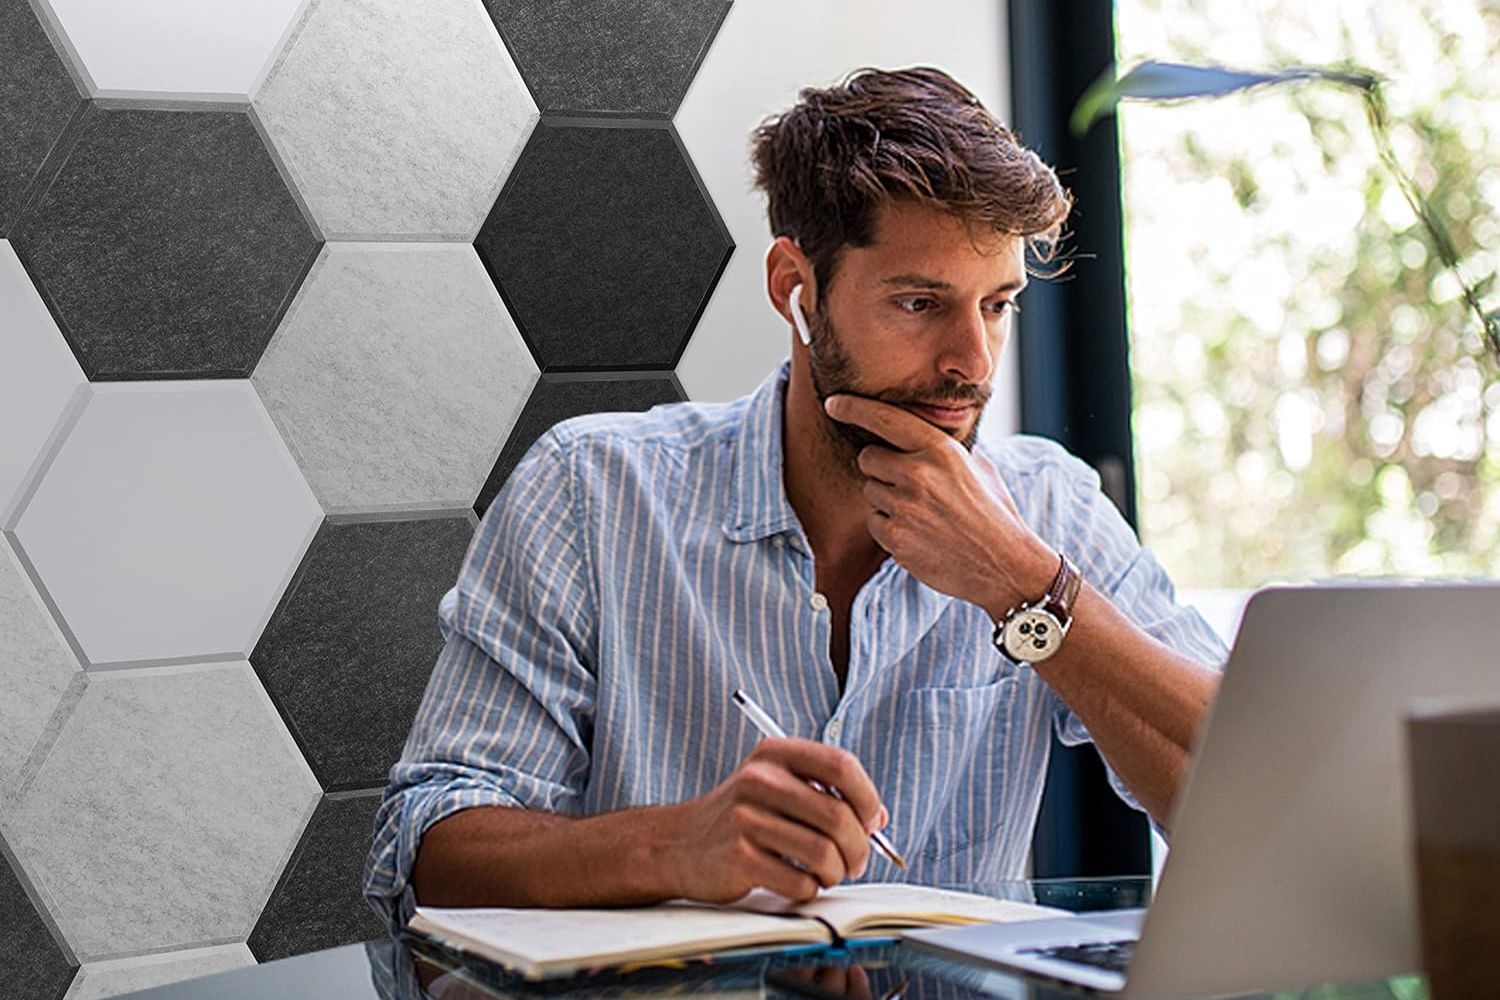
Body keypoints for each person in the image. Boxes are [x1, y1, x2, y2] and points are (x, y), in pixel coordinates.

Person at [364, 66, 1225, 929]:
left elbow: (1250, 797)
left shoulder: (1049, 509)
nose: (974, 360)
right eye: (921, 303)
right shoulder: (592, 492)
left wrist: (1025, 585)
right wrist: (677, 845)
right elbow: (427, 848)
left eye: (997, 305)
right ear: (795, 288)